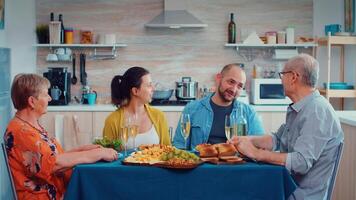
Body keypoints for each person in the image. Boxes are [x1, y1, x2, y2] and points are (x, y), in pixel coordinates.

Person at [229, 54, 344, 200]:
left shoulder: (317, 111)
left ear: (294, 77)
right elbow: (277, 139)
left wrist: (255, 153)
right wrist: (247, 140)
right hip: (287, 185)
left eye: (282, 74)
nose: (280, 79)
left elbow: (301, 162)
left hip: (299, 195)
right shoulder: (301, 108)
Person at [4, 74, 118, 200]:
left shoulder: (30, 126)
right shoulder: (21, 132)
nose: (50, 98)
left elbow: (53, 157)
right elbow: (54, 164)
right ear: (32, 101)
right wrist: (98, 154)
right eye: (46, 94)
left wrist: (85, 150)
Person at [173, 63, 264, 150]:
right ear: (219, 78)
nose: (234, 89)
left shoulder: (249, 113)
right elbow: (179, 146)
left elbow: (260, 148)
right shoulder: (192, 108)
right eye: (231, 82)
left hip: (235, 164)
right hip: (201, 164)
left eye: (239, 86)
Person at [103, 66, 171, 148]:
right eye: (149, 85)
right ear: (135, 91)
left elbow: (168, 151)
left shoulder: (159, 116)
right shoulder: (112, 120)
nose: (153, 89)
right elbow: (106, 154)